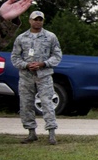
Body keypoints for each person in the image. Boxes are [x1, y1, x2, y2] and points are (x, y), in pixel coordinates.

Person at [10, 11, 62, 145]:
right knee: (26, 103)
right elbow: (15, 57)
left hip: (44, 75)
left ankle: (51, 133)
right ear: (30, 21)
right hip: (26, 76)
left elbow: (57, 56)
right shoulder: (21, 38)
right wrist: (26, 65)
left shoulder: (50, 37)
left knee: (47, 103)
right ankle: (31, 132)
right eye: (35, 19)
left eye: (40, 19)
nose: (38, 22)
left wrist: (43, 64)